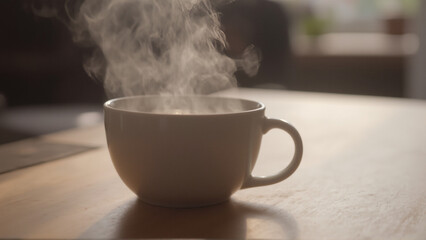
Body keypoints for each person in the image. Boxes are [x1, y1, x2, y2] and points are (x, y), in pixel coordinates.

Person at [217, 0, 292, 88]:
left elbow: (281, 64)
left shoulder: (273, 13)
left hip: (270, 88)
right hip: (232, 88)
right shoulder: (222, 11)